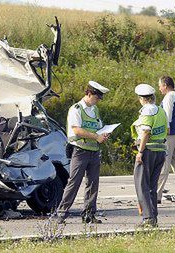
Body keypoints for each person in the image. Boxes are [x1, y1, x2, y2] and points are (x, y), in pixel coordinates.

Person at [55, 81, 110, 224]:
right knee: (74, 182)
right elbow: (77, 130)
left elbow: (98, 126)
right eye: (96, 97)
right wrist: (96, 136)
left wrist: (104, 133)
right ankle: (62, 213)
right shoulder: (76, 109)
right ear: (89, 93)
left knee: (93, 184)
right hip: (80, 151)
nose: (98, 101)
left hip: (94, 150)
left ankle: (89, 214)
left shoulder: (95, 110)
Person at [131, 84, 167, 227]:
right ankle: (153, 216)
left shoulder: (147, 111)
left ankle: (148, 218)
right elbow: (167, 129)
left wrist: (140, 151)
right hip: (160, 150)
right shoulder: (161, 110)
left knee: (142, 184)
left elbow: (146, 131)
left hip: (148, 151)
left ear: (141, 99)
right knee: (152, 185)